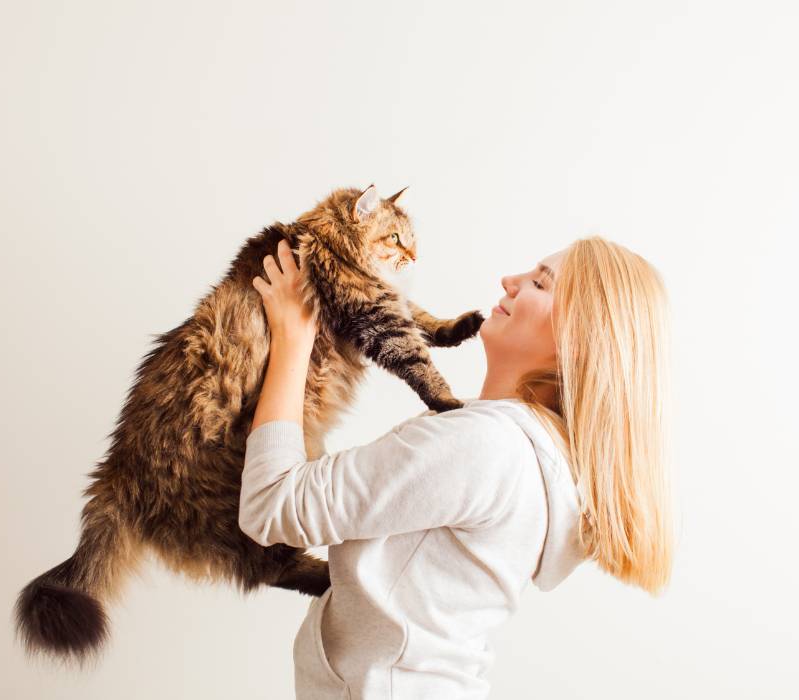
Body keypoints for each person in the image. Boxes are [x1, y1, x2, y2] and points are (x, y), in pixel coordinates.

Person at [241, 236, 674, 699]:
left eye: (539, 284)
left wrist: (294, 335)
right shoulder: (518, 450)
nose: (510, 281)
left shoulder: (486, 447)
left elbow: (271, 505)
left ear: (578, 336)